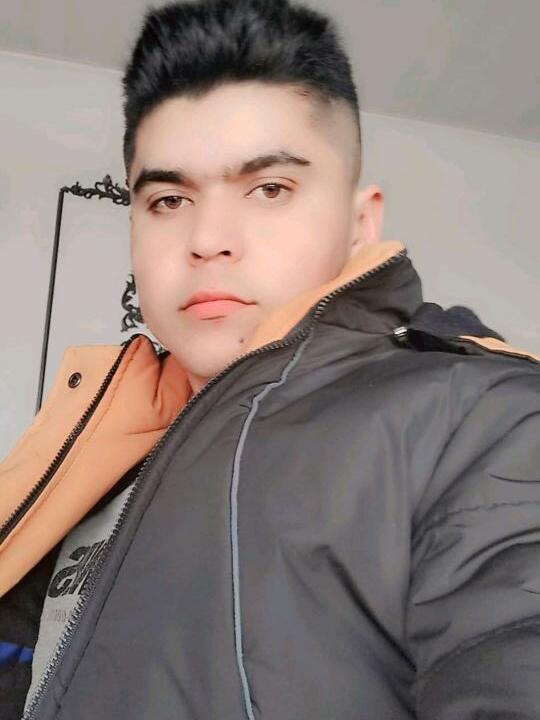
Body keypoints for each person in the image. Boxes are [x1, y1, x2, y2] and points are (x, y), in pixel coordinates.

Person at [1, 0, 539, 717]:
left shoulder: (488, 423)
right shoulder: (92, 443)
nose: (208, 239)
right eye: (168, 200)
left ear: (360, 224)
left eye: (269, 189)